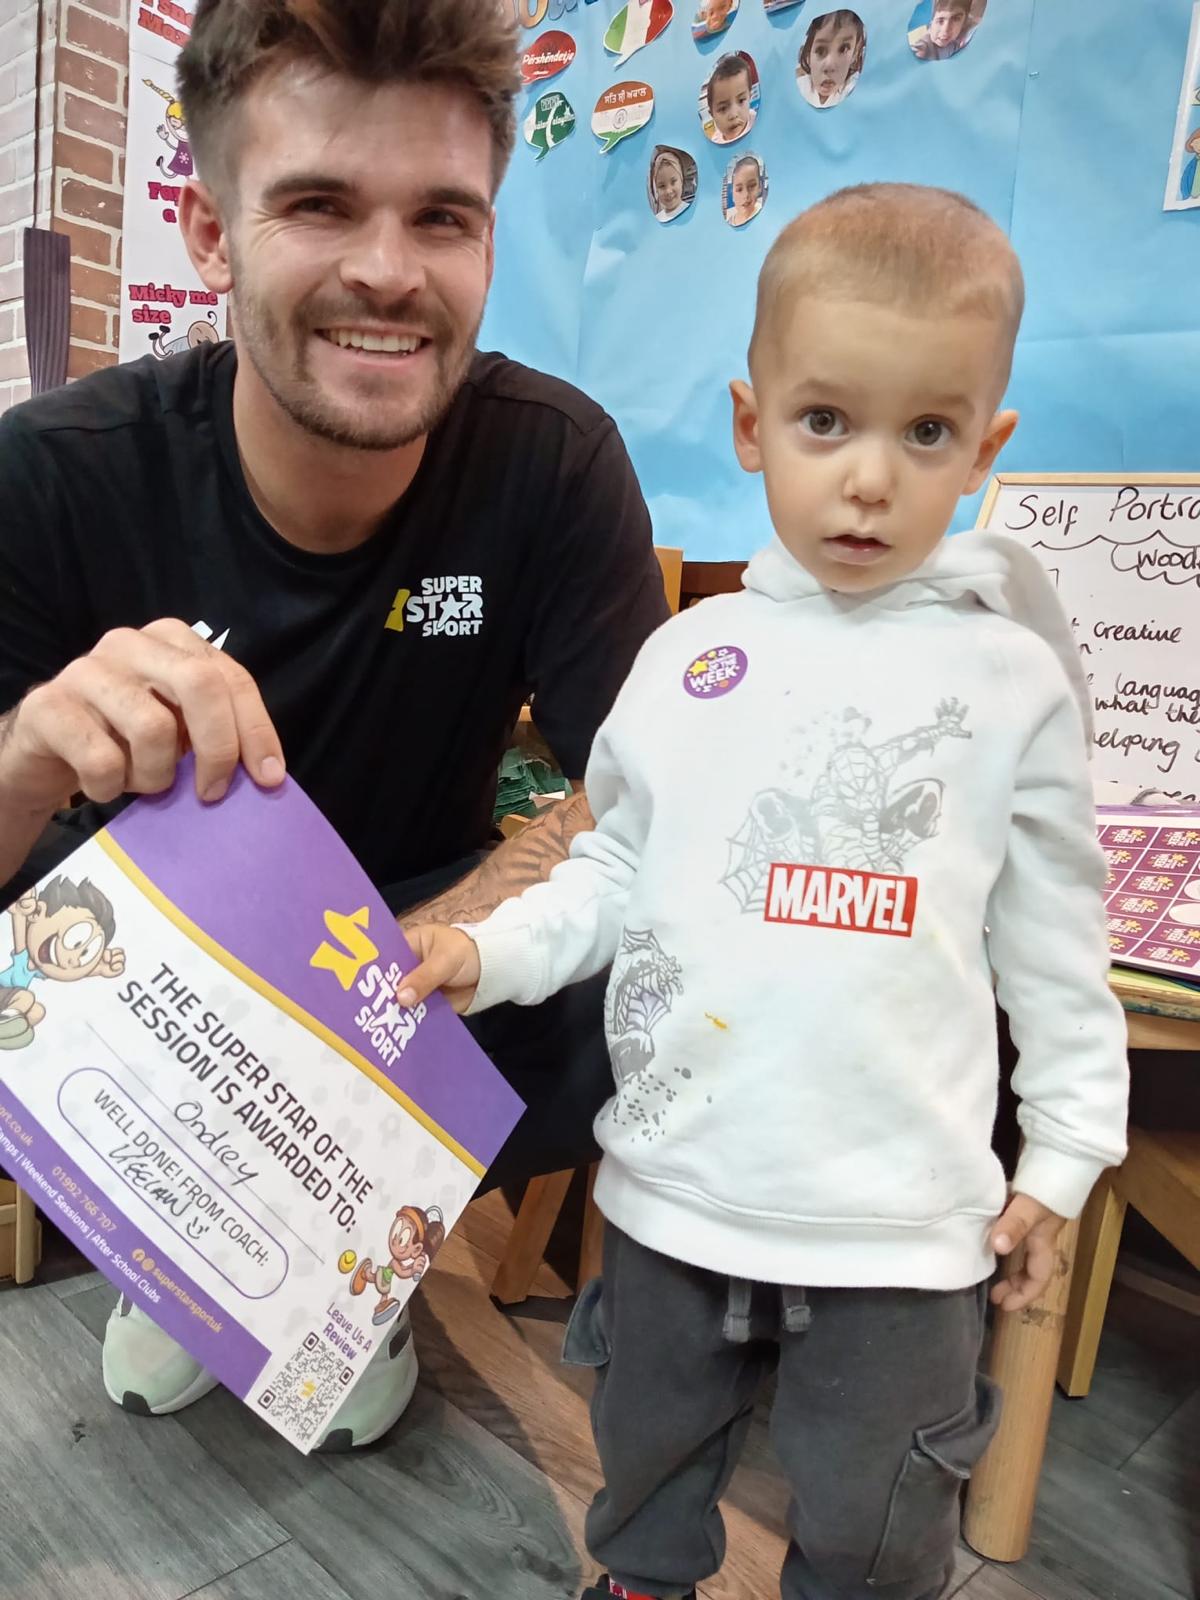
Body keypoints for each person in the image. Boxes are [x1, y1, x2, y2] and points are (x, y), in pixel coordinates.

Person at [398, 184, 1131, 1600]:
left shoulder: (1010, 683)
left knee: (878, 1512)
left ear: (987, 447)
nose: (870, 479)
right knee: (646, 1457)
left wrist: (1065, 1155)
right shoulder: (690, 659)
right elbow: (615, 866)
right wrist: (491, 950)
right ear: (752, 424)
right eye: (826, 421)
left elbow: (1058, 942)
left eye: (927, 434)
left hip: (902, 1225)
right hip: (677, 1187)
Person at [0, 0, 669, 1450]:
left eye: (442, 217)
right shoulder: (54, 470)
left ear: (487, 243)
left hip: (415, 952)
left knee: (651, 959)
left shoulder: (556, 462)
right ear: (211, 232)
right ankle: (181, 1238)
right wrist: (30, 753)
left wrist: (421, 967)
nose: (388, 270)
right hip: (156, 981)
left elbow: (647, 795)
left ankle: (354, 1256)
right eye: (318, 204)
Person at [797, 10, 866, 108]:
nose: (830, 66)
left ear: (854, 55)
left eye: (843, 49)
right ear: (808, 56)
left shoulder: (854, 90)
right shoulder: (802, 87)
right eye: (820, 50)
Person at [703, 54, 757, 144]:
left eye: (741, 101)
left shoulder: (757, 121)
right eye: (723, 108)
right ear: (712, 114)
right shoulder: (716, 141)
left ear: (749, 97)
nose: (733, 115)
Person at [649, 149, 691, 222]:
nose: (668, 191)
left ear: (681, 180)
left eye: (673, 182)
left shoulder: (692, 210)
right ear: (656, 190)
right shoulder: (656, 220)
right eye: (662, 186)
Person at [725, 154, 765, 226]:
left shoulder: (764, 212)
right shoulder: (729, 222)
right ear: (732, 194)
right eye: (739, 189)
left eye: (752, 186)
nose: (746, 195)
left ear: (760, 187)